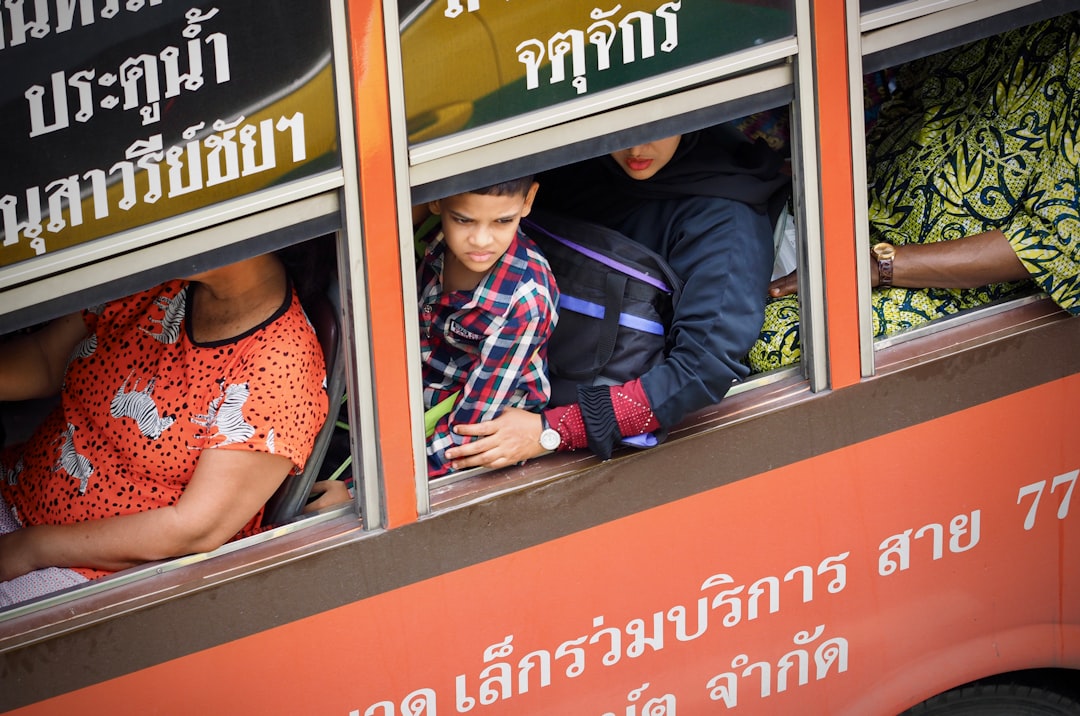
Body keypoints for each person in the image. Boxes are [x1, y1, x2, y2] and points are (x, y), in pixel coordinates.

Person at [749, 15, 1080, 372]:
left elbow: (1059, 244)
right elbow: (911, 106)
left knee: (775, 339)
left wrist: (877, 264)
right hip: (868, 223)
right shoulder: (975, 17)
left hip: (949, 284)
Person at [444, 128, 790, 467]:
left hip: (580, 420)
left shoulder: (726, 224)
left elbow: (700, 369)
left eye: (656, 127)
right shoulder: (580, 160)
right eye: (626, 128)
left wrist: (554, 430)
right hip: (494, 365)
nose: (637, 147)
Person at [0, 251, 329, 606]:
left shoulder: (281, 363)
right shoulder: (164, 280)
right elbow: (47, 360)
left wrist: (32, 548)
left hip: (90, 572)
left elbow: (192, 528)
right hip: (18, 493)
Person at [414, 177, 559, 477]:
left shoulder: (525, 303)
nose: (481, 240)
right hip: (418, 388)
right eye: (463, 220)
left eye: (503, 221)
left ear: (528, 201)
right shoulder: (433, 241)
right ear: (436, 201)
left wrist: (358, 491)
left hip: (471, 428)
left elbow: (469, 433)